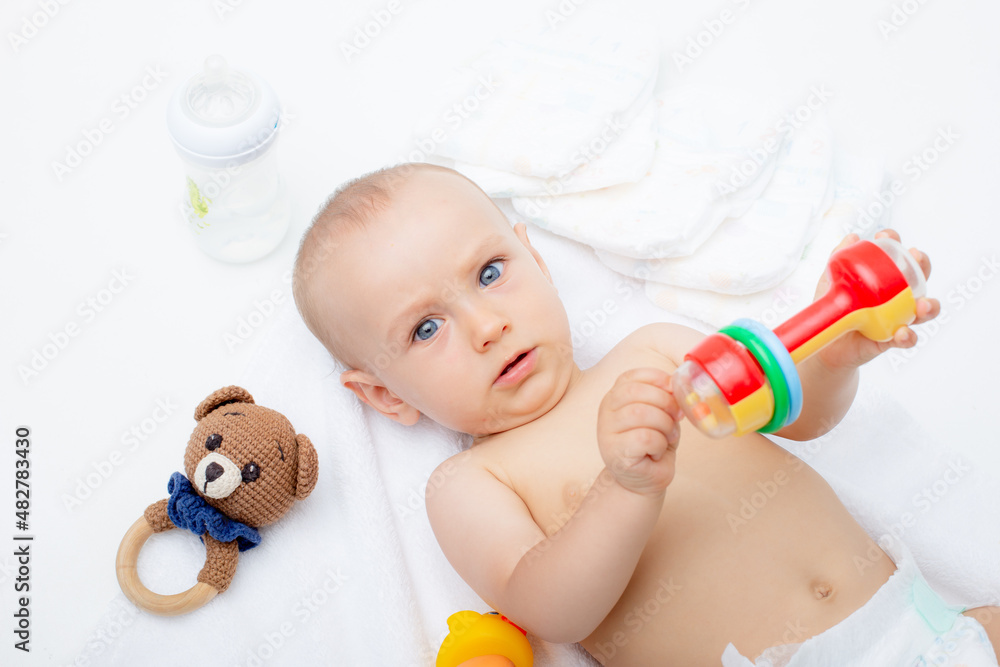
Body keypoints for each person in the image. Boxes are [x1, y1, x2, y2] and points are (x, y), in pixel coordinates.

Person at [292, 162, 999, 666]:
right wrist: (622, 487)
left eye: (490, 272)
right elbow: (553, 610)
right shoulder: (473, 481)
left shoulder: (656, 349)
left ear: (534, 255)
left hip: (927, 622)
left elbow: (801, 416)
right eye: (425, 328)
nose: (485, 325)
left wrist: (833, 354)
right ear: (384, 394)